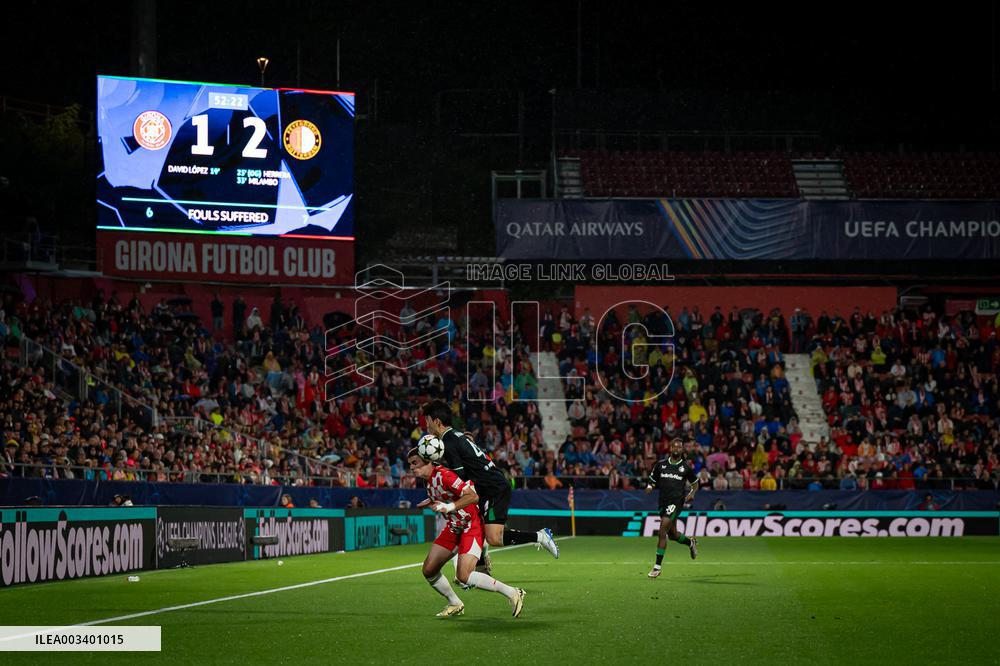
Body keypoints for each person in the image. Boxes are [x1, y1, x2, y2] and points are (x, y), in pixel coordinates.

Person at [422, 400, 559, 574]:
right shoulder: (455, 436)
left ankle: (540, 537)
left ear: (437, 421)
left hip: (493, 488)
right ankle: (480, 569)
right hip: (486, 486)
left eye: (427, 420)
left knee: (494, 537)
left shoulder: (448, 441)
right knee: (474, 523)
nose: (426, 425)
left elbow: (460, 476)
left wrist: (437, 475)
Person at [407, 448, 526, 618]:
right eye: (410, 464)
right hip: (454, 526)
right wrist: (431, 502)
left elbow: (472, 496)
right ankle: (455, 603)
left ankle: (513, 592)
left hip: (471, 525)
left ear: (428, 459)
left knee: (464, 576)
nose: (411, 467)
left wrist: (448, 507)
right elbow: (447, 495)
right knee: (429, 570)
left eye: (414, 463)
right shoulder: (428, 480)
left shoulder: (445, 475)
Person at [645, 438, 699, 578]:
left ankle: (657, 567)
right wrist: (650, 487)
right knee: (673, 535)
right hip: (663, 502)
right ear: (670, 448)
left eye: (679, 447)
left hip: (676, 503)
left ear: (682, 449)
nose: (676, 449)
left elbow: (695, 483)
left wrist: (692, 493)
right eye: (674, 446)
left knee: (662, 531)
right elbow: (652, 480)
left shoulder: (685, 467)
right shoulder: (661, 465)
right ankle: (690, 542)